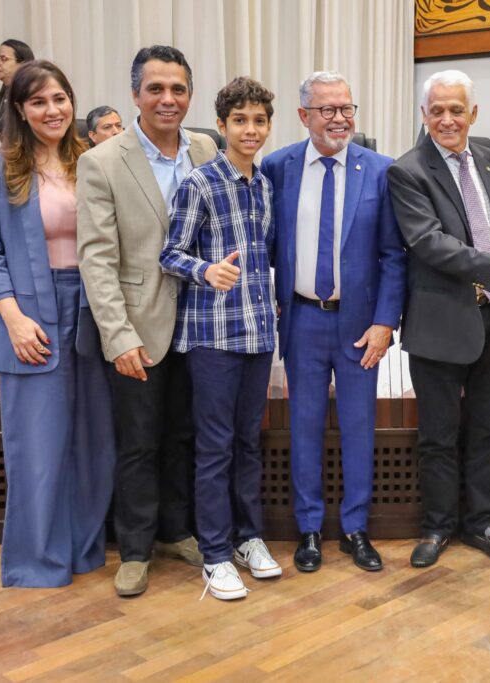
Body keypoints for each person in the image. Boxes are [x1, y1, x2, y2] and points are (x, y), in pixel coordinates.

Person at [388, 69, 490, 568]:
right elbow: (428, 242)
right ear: (423, 114)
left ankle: (481, 523)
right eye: (437, 110)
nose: (447, 119)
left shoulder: (489, 155)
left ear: (473, 113)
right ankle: (437, 527)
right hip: (439, 321)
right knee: (438, 435)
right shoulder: (407, 171)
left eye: (456, 110)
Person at [77, 45, 219, 598]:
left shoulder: (206, 148)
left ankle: (176, 531)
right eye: (155, 88)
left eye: (178, 89)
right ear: (135, 94)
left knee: (185, 434)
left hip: (202, 325)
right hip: (139, 326)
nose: (167, 99)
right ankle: (134, 549)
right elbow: (97, 258)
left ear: (190, 95)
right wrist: (118, 337)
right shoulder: (102, 161)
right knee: (138, 442)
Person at [0, 60, 114, 587]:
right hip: (30, 313)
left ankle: (82, 549)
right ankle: (36, 562)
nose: (52, 110)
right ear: (19, 109)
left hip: (92, 309)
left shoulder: (91, 163)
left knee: (94, 441)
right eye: (38, 102)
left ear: (73, 102)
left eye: (60, 98)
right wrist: (13, 319)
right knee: (38, 445)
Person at [261, 71, 405, 573]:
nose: (340, 118)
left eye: (347, 108)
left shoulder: (380, 170)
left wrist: (385, 322)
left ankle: (355, 528)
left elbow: (393, 255)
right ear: (304, 116)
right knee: (303, 425)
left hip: (360, 325)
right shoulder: (277, 167)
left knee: (358, 427)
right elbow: (265, 243)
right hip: (302, 318)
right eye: (328, 110)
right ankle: (308, 529)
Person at [159, 77, 281, 601]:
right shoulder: (200, 183)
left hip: (258, 333)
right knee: (214, 447)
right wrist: (206, 270)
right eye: (240, 120)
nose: (250, 130)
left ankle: (247, 538)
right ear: (222, 125)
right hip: (211, 336)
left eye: (259, 120)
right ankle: (214, 554)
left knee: (248, 443)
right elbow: (170, 253)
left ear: (269, 126)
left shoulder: (266, 185)